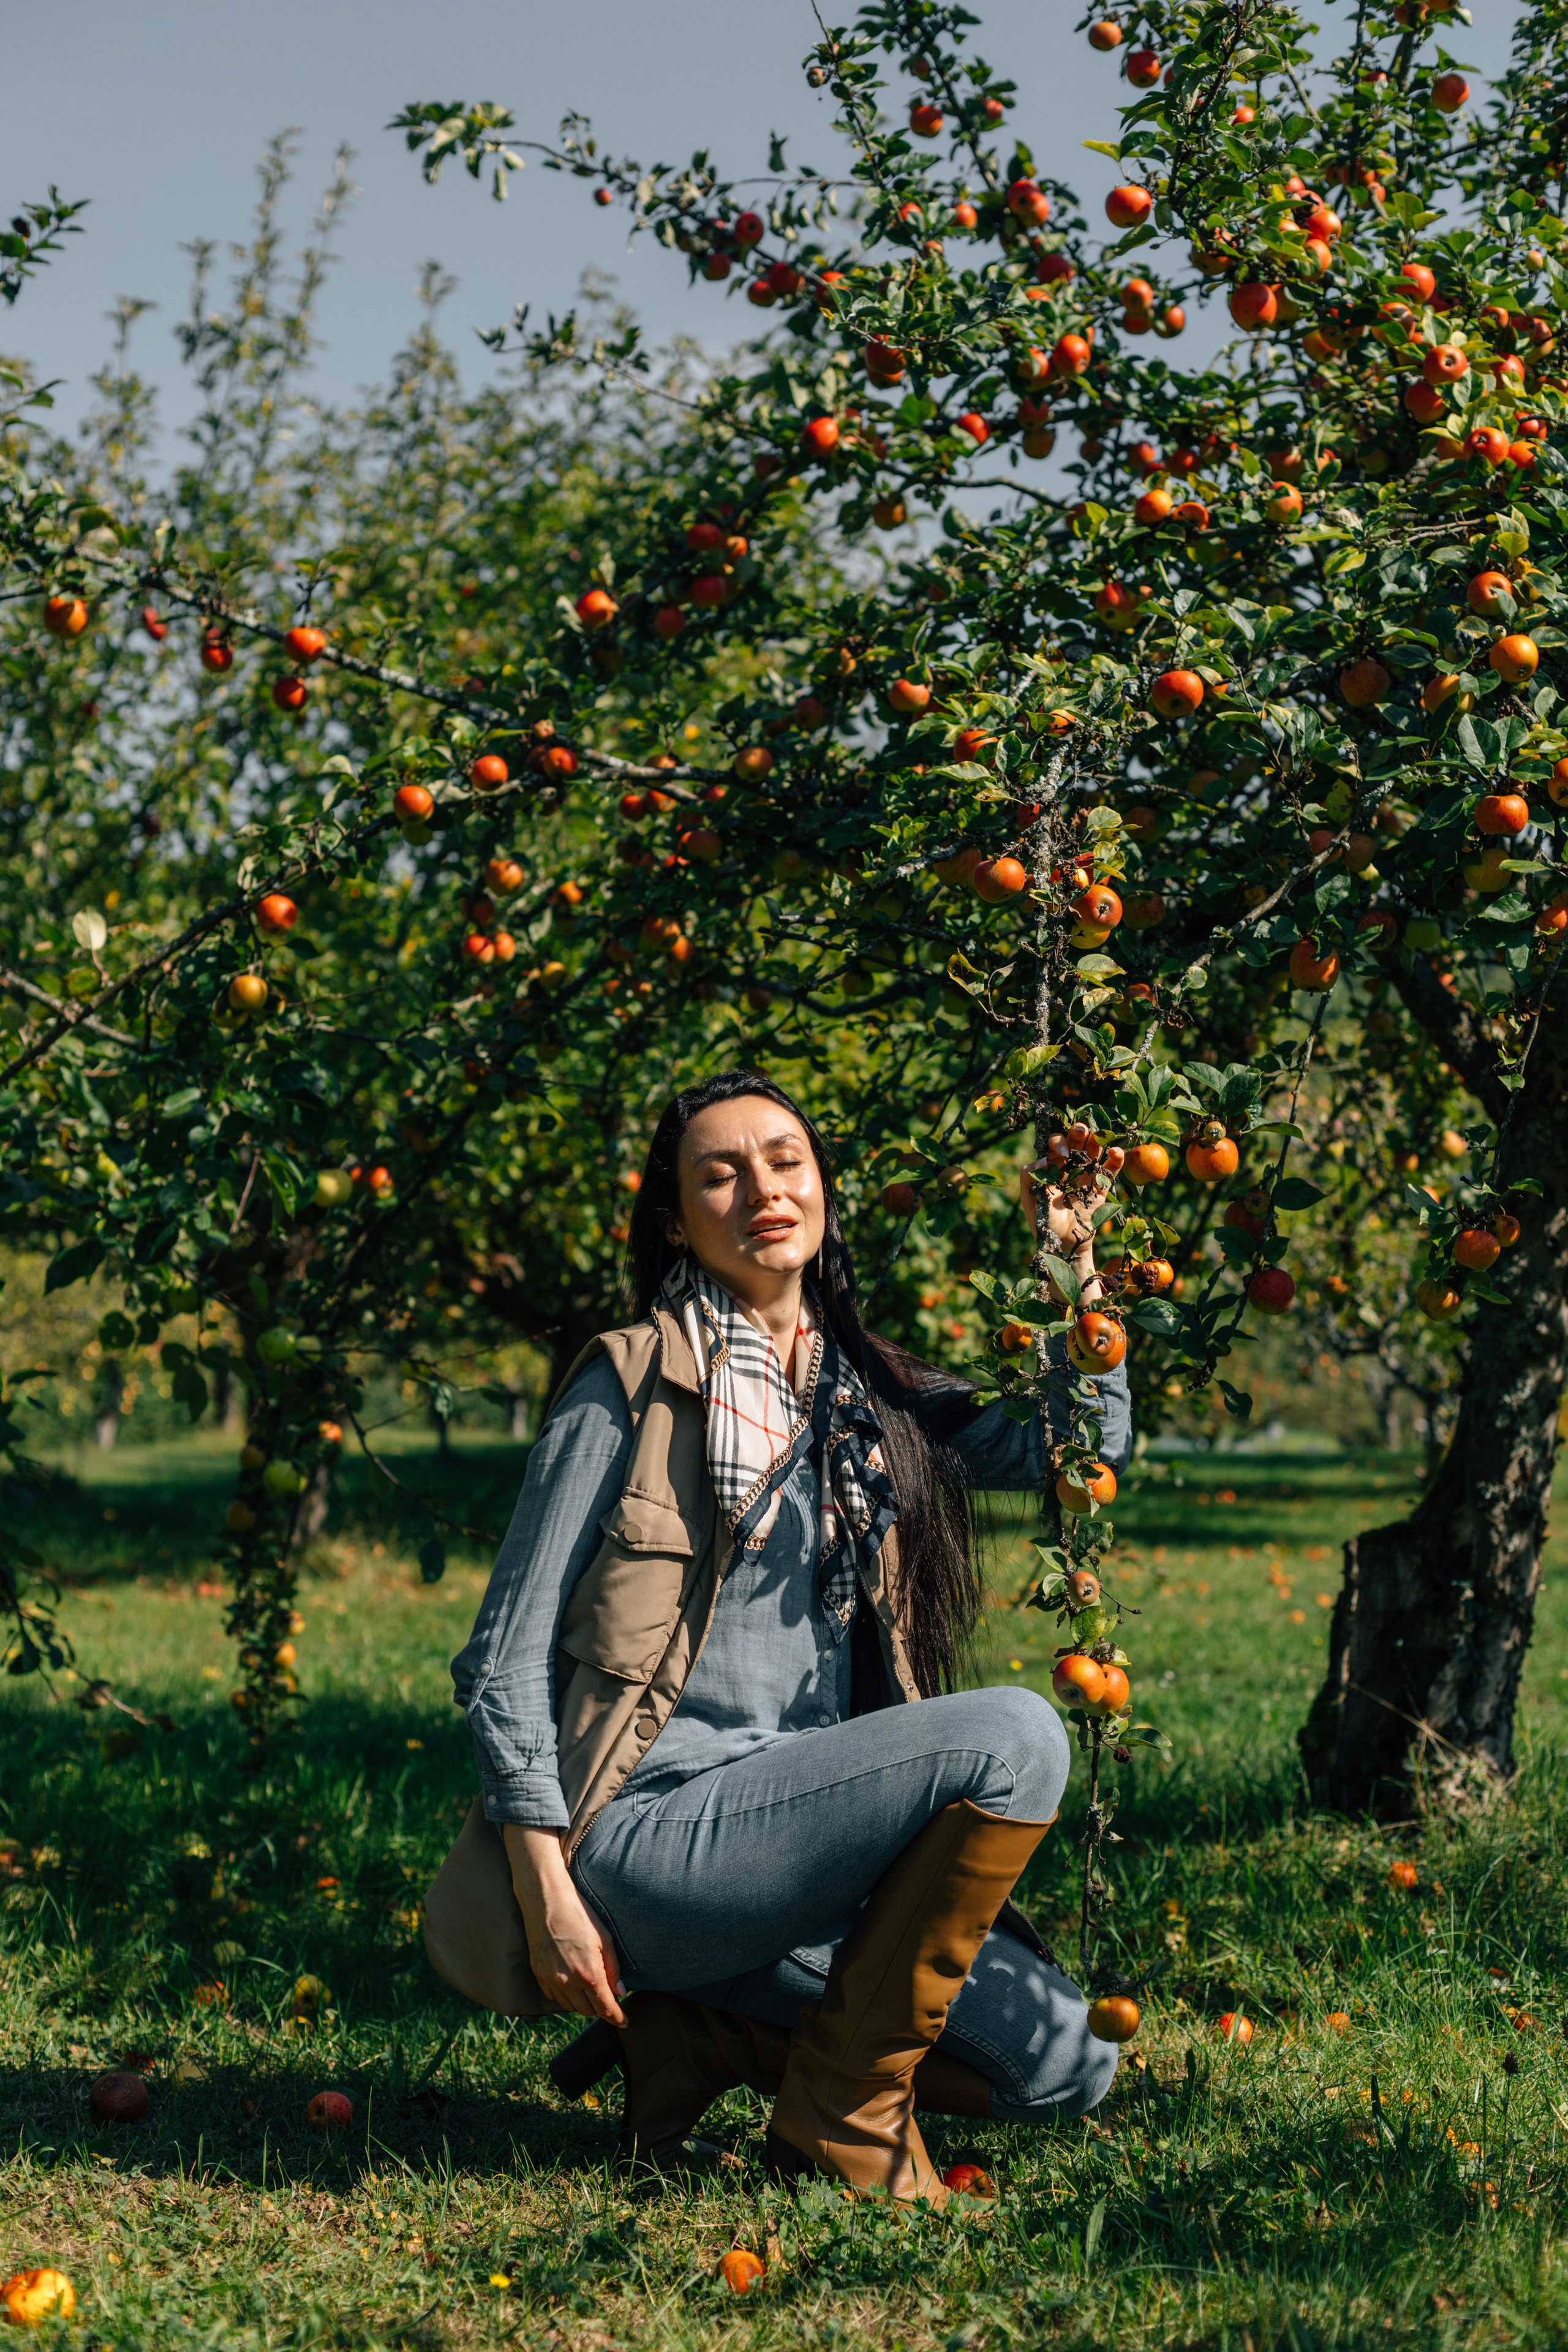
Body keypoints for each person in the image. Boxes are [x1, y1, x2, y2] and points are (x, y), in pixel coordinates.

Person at [424, 1070, 1131, 2204]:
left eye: (786, 1160)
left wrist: (1076, 1269)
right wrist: (547, 1888)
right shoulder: (631, 1384)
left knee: (1069, 2063)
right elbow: (501, 1659)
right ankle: (841, 2111)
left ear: (823, 1191)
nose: (762, 1187)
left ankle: (705, 2040)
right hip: (649, 1843)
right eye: (721, 1171)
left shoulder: (872, 1401)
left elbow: (1081, 1455)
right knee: (1017, 1735)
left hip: (803, 1849)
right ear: (676, 1219)